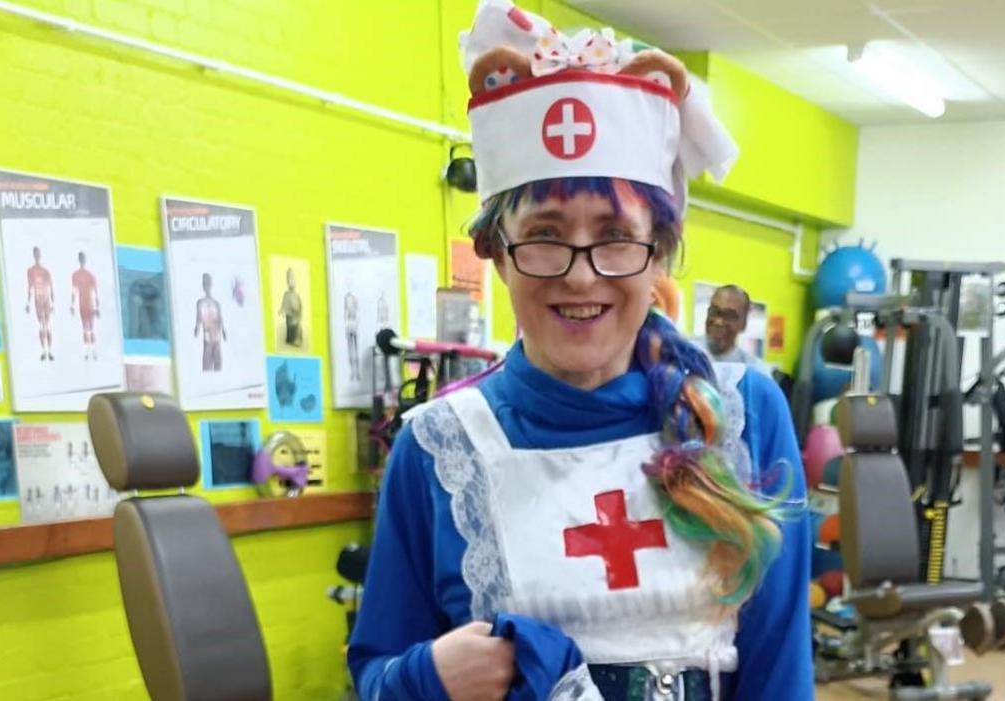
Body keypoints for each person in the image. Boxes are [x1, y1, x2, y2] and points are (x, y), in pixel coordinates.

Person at [348, 3, 812, 700]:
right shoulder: (437, 449)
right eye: (544, 233)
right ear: (497, 255)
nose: (581, 273)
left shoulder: (745, 415)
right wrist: (428, 676)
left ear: (658, 255)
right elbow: (375, 678)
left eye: (615, 236)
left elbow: (782, 673)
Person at [696, 285, 768, 372]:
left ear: (743, 324)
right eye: (714, 311)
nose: (718, 322)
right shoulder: (684, 352)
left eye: (729, 315)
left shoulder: (753, 370)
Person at [69, 252, 101, 361]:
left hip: (88, 305)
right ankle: (88, 352)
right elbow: (74, 291)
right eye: (82, 258)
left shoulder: (87, 275)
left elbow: (95, 292)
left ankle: (93, 352)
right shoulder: (78, 275)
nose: (82, 260)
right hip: (84, 305)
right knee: (86, 329)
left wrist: (97, 308)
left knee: (90, 329)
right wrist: (72, 305)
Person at [25, 246, 54, 361]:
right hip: (38, 300)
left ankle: (50, 351)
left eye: (38, 253)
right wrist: (28, 303)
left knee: (48, 326)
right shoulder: (30, 271)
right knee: (41, 326)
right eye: (35, 253)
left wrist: (52, 304)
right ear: (34, 255)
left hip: (46, 300)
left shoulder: (46, 271)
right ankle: (44, 351)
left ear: (40, 255)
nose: (37, 255)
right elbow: (30, 286)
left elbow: (51, 287)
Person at [193, 273, 226, 372]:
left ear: (211, 284)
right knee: (206, 368)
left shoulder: (216, 303)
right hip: (207, 339)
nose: (206, 285)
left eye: (208, 283)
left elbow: (220, 319)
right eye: (205, 283)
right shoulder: (200, 302)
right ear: (203, 286)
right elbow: (198, 319)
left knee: (218, 367)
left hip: (217, 338)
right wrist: (197, 329)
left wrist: (224, 331)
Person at [278, 267, 303, 347]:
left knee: (296, 326)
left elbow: (300, 306)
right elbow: (284, 303)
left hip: (295, 316)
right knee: (289, 327)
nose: (290, 282)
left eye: (292, 279)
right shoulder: (286, 294)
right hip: (289, 316)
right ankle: (290, 339)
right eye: (288, 280)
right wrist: (281, 310)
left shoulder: (297, 295)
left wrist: (298, 310)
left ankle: (297, 339)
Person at [344, 289, 360, 381]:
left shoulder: (356, 311)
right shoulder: (346, 313)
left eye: (350, 301)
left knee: (356, 351)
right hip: (350, 329)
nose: (349, 303)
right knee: (350, 351)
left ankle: (357, 372)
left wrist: (354, 325)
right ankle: (352, 372)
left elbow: (357, 319)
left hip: (354, 329)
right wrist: (347, 330)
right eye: (347, 302)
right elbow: (346, 321)